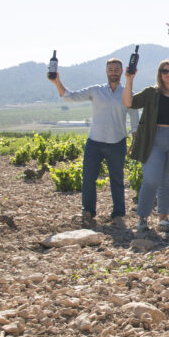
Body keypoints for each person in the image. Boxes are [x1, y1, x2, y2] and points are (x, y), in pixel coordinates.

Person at [49, 57, 139, 226]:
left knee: (117, 180)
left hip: (117, 142)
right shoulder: (95, 91)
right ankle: (88, 211)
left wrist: (135, 138)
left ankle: (118, 214)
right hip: (94, 142)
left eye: (116, 70)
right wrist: (56, 81)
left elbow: (135, 116)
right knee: (88, 178)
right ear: (106, 71)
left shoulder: (127, 93)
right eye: (110, 69)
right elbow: (70, 97)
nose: (113, 72)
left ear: (122, 71)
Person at [123, 58, 169, 231]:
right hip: (155, 138)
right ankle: (143, 217)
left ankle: (163, 216)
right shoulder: (151, 92)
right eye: (165, 71)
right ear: (160, 74)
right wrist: (129, 80)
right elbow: (129, 103)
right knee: (151, 179)